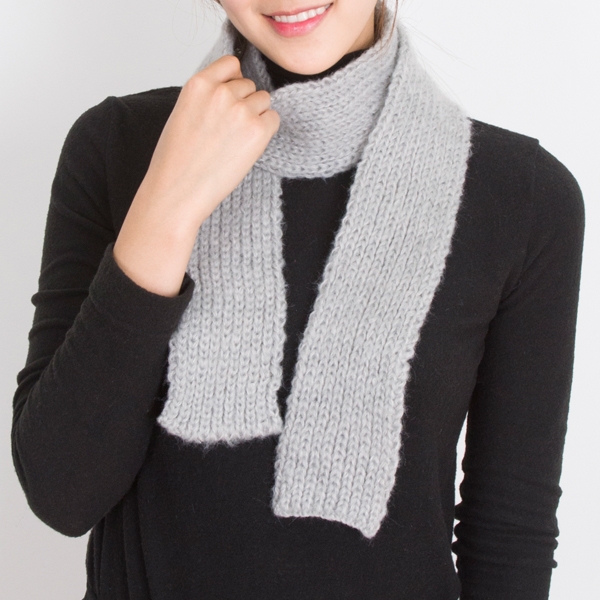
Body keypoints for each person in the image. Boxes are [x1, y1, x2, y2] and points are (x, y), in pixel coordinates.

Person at [11, 0, 585, 598]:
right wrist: (168, 205)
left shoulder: (526, 200)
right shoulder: (117, 147)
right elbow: (61, 495)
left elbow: (508, 535)